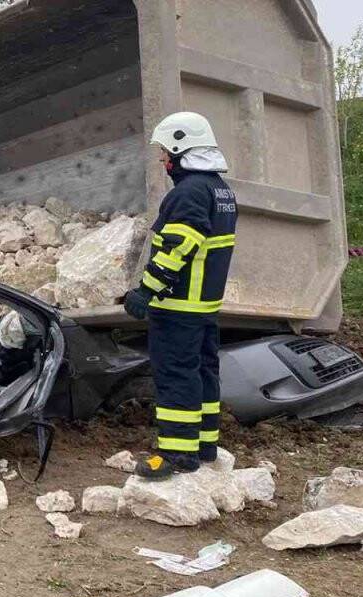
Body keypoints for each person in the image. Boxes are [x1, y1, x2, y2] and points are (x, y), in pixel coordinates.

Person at [123, 112, 237, 480]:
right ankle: (204, 446)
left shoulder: (187, 193)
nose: (162, 160)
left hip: (178, 306)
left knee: (176, 375)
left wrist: (146, 291)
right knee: (203, 372)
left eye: (164, 152)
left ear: (179, 146)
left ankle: (176, 454)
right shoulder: (220, 191)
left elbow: (177, 247)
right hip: (204, 306)